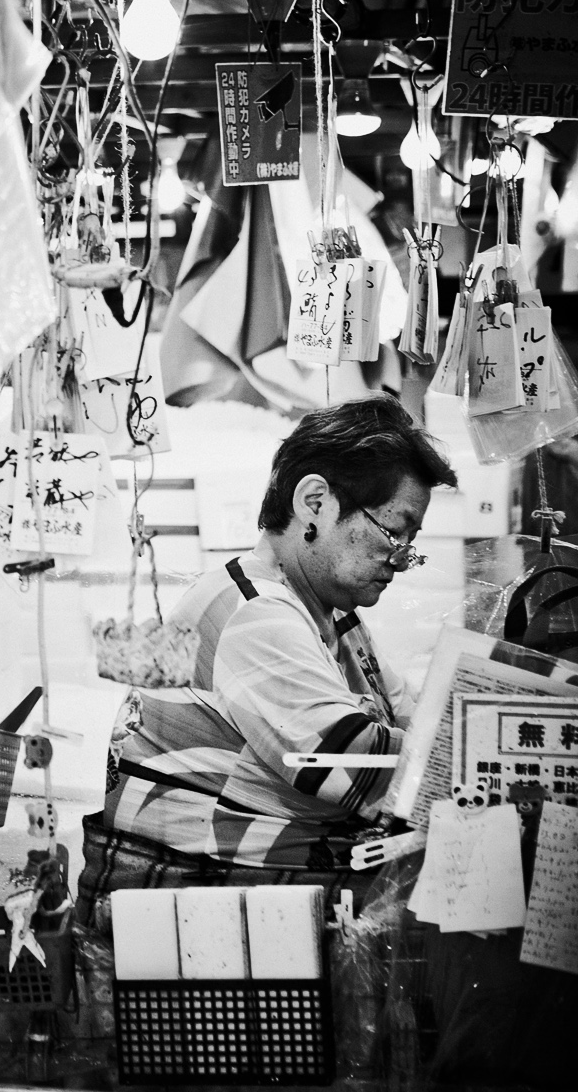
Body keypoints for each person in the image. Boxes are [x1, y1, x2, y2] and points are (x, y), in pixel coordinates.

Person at [76, 395, 459, 924]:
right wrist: (477, 764)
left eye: (409, 543)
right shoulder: (255, 613)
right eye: (393, 531)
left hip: (257, 897)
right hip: (197, 913)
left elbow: (409, 716)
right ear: (316, 502)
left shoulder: (332, 613)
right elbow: (350, 764)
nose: (399, 558)